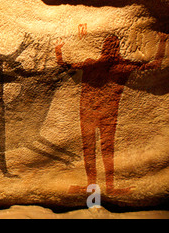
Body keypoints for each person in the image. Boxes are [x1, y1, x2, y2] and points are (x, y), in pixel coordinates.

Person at [55, 33, 167, 194]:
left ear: (103, 49)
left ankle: (96, 185)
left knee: (92, 150)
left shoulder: (92, 65)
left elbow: (64, 65)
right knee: (106, 150)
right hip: (105, 114)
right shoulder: (120, 67)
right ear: (117, 50)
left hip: (91, 113)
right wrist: (161, 42)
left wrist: (58, 50)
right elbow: (154, 64)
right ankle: (107, 186)